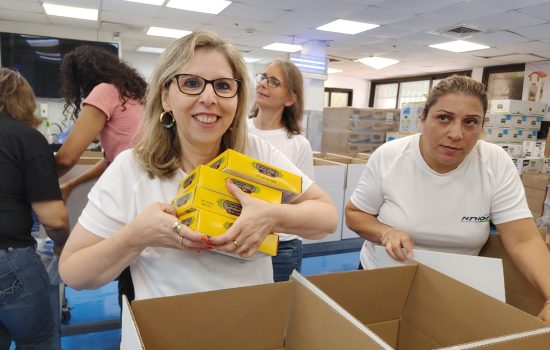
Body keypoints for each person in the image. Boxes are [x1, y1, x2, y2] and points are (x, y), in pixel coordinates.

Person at [58, 30, 337, 306]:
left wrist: (272, 215)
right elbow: (73, 272)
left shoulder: (258, 153)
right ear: (165, 96)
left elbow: (326, 217)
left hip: (252, 331)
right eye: (191, 83)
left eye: (224, 86)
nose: (209, 98)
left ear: (238, 100)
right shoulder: (132, 168)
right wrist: (137, 236)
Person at [345, 75, 550, 323]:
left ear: (481, 127)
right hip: (384, 280)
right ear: (423, 118)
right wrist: (385, 232)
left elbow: (524, 239)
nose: (456, 133)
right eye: (444, 118)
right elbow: (355, 214)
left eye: (470, 122)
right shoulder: (390, 157)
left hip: (455, 290)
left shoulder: (494, 162)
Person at [55, 45, 147, 305]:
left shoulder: (104, 92)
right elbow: (114, 160)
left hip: (133, 198)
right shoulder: (134, 94)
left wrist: (39, 181)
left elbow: (67, 157)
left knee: (128, 279)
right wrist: (72, 183)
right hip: (152, 191)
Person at [0, 68, 70, 349]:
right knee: (39, 338)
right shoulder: (26, 138)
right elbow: (53, 219)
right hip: (8, 257)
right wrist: (63, 245)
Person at [248, 60, 314, 281]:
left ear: (290, 98)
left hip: (281, 246)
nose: (264, 84)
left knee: (275, 311)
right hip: (236, 235)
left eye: (274, 81)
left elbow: (306, 201)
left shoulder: (297, 143)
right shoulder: (237, 129)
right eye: (263, 77)